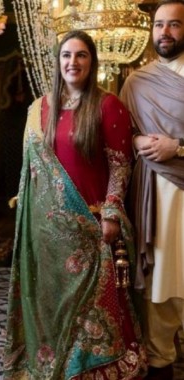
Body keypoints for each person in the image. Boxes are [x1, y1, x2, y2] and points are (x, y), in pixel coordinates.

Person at [3, 30, 146, 379]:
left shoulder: (107, 105)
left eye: (81, 55)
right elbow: (32, 171)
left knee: (89, 309)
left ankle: (89, 370)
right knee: (50, 307)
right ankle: (48, 362)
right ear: (57, 62)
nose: (73, 62)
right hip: (45, 234)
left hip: (90, 228)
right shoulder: (39, 109)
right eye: (66, 55)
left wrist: (112, 211)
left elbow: (120, 164)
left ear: (91, 62)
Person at [119, 1, 184, 378]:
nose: (165, 33)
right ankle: (161, 359)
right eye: (159, 25)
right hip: (154, 203)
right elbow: (121, 139)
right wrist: (138, 139)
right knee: (161, 282)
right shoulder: (137, 82)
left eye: (174, 25)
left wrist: (177, 147)